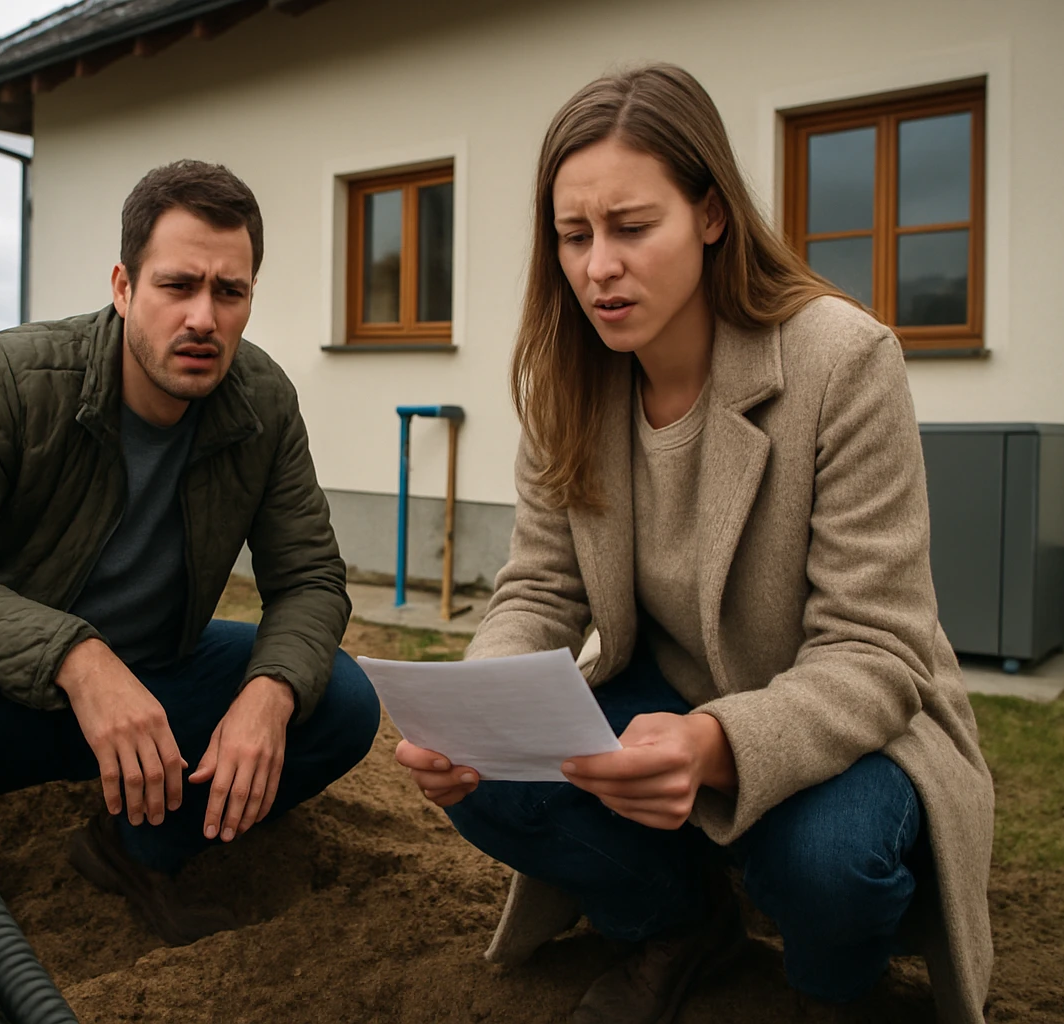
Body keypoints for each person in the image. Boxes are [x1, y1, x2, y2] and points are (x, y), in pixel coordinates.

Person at [394, 65, 994, 1024]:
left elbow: (877, 652)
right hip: (670, 689)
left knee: (829, 864)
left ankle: (835, 983)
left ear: (711, 215)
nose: (597, 267)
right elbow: (539, 592)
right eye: (573, 235)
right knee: (496, 784)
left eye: (632, 228)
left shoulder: (844, 362)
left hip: (848, 720)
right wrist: (478, 711)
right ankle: (676, 925)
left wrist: (718, 743)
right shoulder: (569, 381)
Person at [0, 159, 380, 946]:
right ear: (124, 287)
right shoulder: (16, 376)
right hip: (1, 688)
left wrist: (268, 694)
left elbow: (309, 578)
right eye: (178, 286)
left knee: (338, 701)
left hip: (159, 679)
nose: (204, 317)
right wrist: (77, 656)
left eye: (229, 292)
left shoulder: (263, 402)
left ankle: (140, 848)